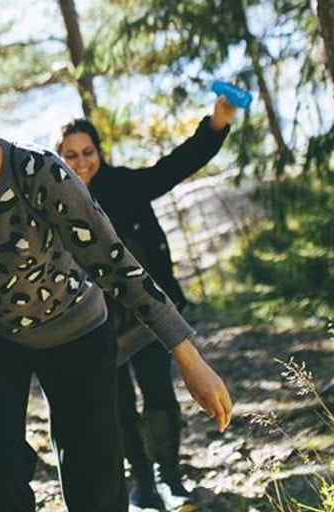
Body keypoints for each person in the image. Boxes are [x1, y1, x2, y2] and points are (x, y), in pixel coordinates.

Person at [0, 60, 233, 512]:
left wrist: (188, 357)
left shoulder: (38, 172)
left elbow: (114, 262)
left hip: (75, 329)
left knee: (97, 488)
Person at [53, 97, 237, 510]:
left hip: (146, 314)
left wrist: (215, 125)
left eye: (87, 152)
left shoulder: (123, 184)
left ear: (99, 152)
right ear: (58, 157)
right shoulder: (53, 199)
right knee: (118, 408)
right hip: (93, 324)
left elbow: (176, 165)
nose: (81, 163)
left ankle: (169, 477)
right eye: (70, 155)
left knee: (158, 396)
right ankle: (142, 484)